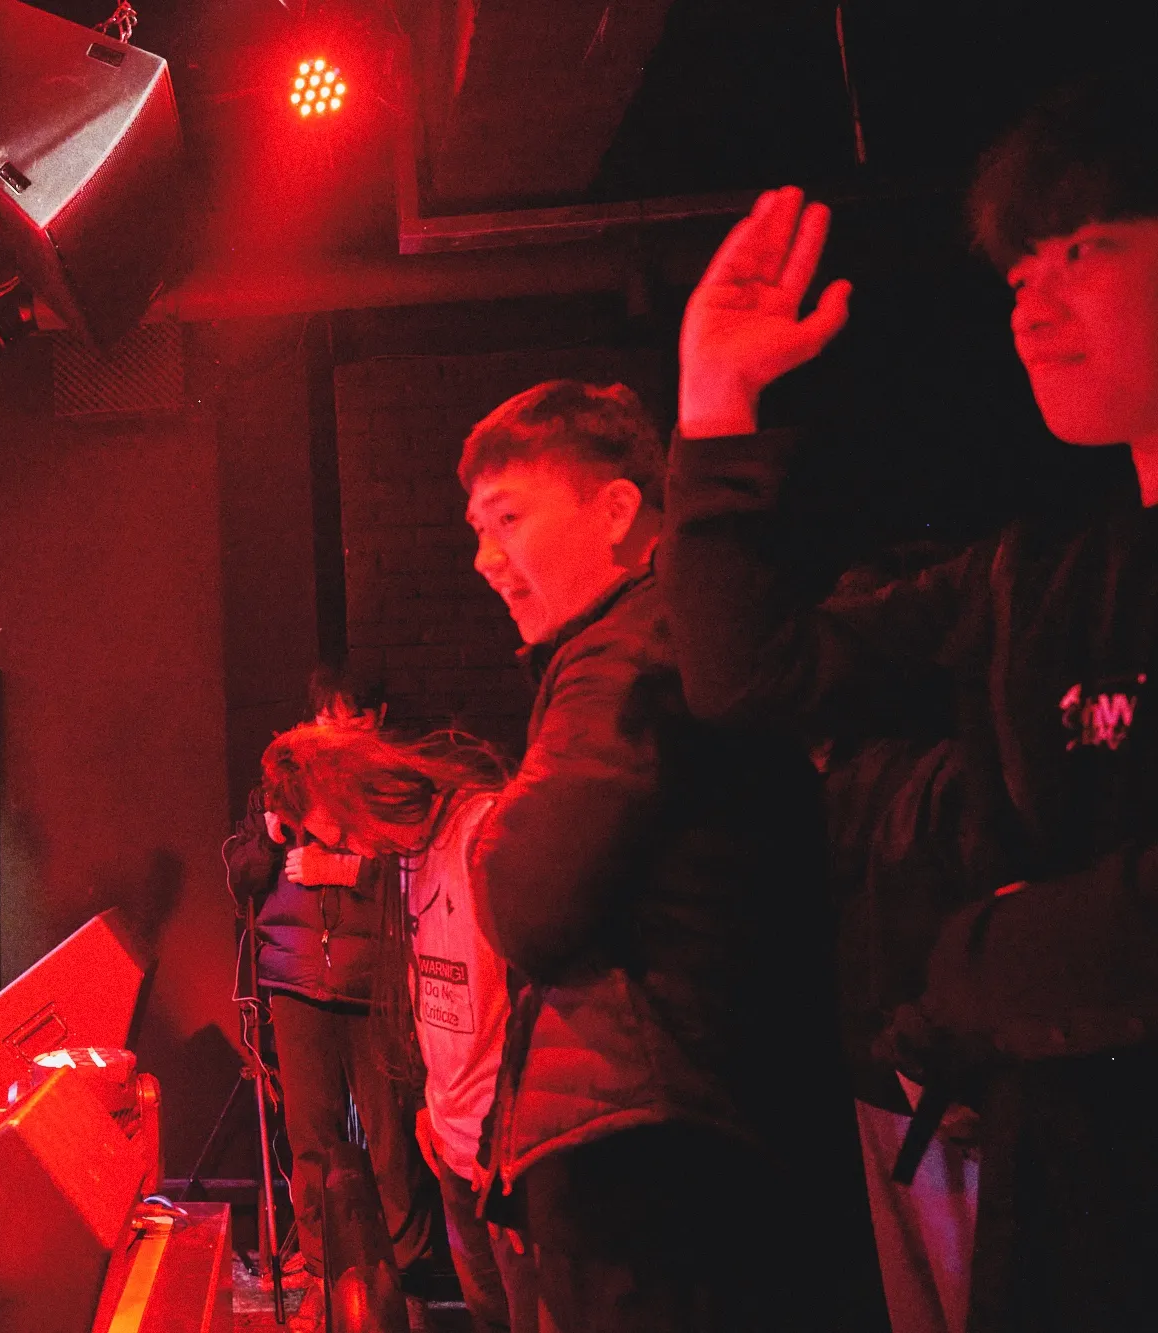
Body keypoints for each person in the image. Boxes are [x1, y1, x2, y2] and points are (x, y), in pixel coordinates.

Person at [661, 69, 1158, 1332]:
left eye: (1083, 249)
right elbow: (748, 673)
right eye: (1017, 271)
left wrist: (979, 955)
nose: (1031, 304)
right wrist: (713, 402)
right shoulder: (1034, 571)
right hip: (1061, 1208)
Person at [457, 380, 855, 1332]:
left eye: (508, 518)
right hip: (691, 1139)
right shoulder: (645, 644)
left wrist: (490, 840)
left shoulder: (627, 655)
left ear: (617, 510)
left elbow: (529, 900)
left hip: (653, 1162)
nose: (485, 558)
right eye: (477, 529)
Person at [259, 722, 511, 1333]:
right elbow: (430, 991)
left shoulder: (479, 832)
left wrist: (510, 1132)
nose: (355, 849)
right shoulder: (406, 865)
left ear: (362, 790)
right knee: (490, 1313)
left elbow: (531, 993)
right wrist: (431, 1100)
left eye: (346, 834)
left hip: (505, 1150)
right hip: (457, 1137)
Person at [225, 669, 432, 1303]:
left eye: (353, 718)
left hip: (374, 986)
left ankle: (404, 1274)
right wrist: (269, 836)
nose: (338, 732)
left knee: (391, 1138)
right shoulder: (281, 787)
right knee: (310, 1136)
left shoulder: (395, 785)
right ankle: (321, 1267)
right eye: (327, 718)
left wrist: (345, 870)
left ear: (379, 717)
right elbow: (242, 877)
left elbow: (421, 875)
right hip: (296, 980)